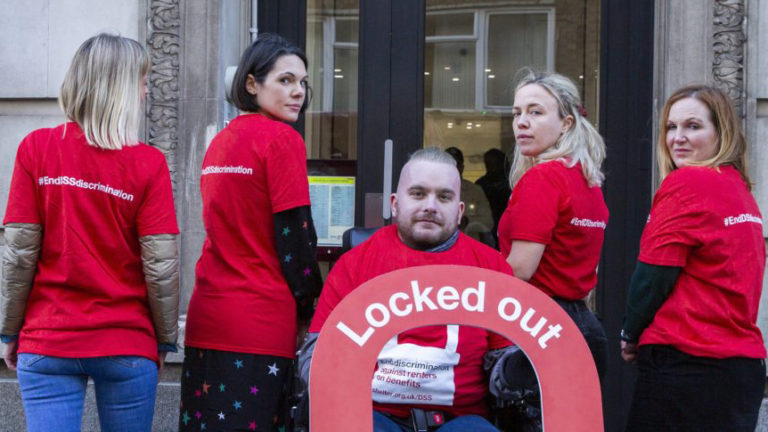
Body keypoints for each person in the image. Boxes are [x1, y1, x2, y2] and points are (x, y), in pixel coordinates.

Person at [0, 33, 179, 432]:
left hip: (48, 339)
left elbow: (18, 254)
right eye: (143, 81)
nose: (148, 91)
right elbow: (161, 266)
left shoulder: (36, 148)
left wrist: (9, 331)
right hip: (125, 342)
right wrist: (164, 341)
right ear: (118, 87)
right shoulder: (148, 164)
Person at [298, 148, 529, 432]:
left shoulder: (491, 268)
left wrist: (514, 371)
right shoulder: (355, 264)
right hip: (373, 415)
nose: (430, 206)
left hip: (461, 421)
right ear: (395, 204)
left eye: (443, 197)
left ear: (459, 211)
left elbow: (503, 362)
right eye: (418, 194)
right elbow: (316, 355)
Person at [180, 33, 323, 431]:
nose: (298, 92)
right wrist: (311, 310)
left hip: (208, 316)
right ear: (251, 84)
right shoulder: (282, 140)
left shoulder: (219, 142)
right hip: (261, 322)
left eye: (303, 83)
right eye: (286, 80)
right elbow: (296, 239)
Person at [620, 85, 766, 431]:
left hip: (686, 364)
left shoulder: (688, 183)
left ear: (722, 133)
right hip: (739, 367)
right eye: (671, 127)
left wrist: (630, 330)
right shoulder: (739, 189)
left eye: (693, 126)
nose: (678, 138)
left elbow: (653, 273)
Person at [496, 71, 608, 427]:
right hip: (583, 329)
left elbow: (520, 269)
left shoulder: (543, 177)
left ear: (566, 123)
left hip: (539, 330)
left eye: (536, 112)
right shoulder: (587, 179)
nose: (522, 123)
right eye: (517, 113)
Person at [444, 147, 494, 244]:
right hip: (440, 247)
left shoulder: (475, 190)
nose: (452, 168)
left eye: (456, 164)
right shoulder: (432, 189)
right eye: (448, 164)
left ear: (462, 167)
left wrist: (467, 221)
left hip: (469, 246)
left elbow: (488, 222)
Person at [475, 148, 511, 240]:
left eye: (495, 164)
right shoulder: (481, 184)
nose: (492, 168)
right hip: (488, 226)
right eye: (489, 164)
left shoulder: (512, 181)